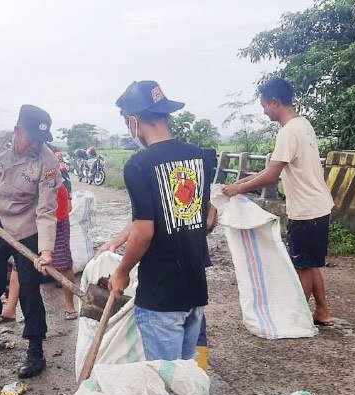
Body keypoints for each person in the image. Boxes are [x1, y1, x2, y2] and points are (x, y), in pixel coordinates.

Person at [108, 80, 213, 361]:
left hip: (161, 296)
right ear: (166, 115)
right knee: (186, 375)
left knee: (166, 385)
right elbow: (209, 216)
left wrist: (121, 271)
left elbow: (144, 233)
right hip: (195, 290)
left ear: (134, 121)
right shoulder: (201, 158)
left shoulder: (139, 166)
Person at [222, 78, 334, 326]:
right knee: (309, 262)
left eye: (264, 105)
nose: (263, 111)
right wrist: (240, 185)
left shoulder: (288, 132)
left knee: (302, 267)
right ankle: (322, 311)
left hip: (306, 210)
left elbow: (271, 176)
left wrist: (239, 187)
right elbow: (271, 170)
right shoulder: (302, 124)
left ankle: (297, 319)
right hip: (318, 206)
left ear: (275, 102)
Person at [0, 104, 62, 378]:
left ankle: (35, 350)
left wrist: (45, 250)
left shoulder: (48, 164)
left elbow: (46, 210)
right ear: (18, 130)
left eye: (40, 140)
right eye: (31, 137)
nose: (35, 144)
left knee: (30, 289)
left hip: (27, 226)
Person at [0, 146, 78, 321]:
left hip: (55, 212)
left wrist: (70, 198)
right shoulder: (18, 155)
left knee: (62, 262)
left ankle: (70, 306)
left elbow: (64, 178)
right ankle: (11, 309)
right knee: (19, 262)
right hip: (30, 215)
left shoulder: (52, 155)